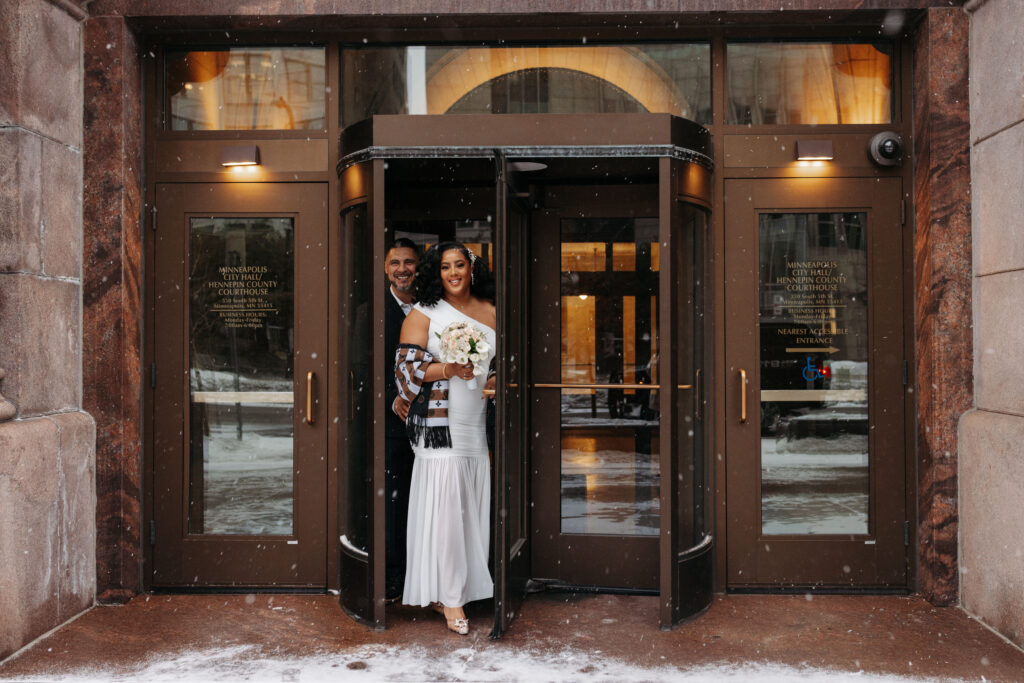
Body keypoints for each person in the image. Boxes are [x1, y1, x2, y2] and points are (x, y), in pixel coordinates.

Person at [394, 242, 496, 635]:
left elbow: (502, 364)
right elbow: (405, 370)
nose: (453, 273)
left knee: (468, 506)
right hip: (439, 426)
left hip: (476, 422)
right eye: (444, 267)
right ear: (436, 273)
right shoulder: (424, 313)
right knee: (447, 509)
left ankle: (458, 588)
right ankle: (451, 599)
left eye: (459, 265)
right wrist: (447, 368)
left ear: (471, 269)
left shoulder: (491, 310)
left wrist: (493, 377)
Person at [384, 237, 420, 602]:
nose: (402, 269)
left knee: (427, 501)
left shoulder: (430, 309)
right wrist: (395, 400)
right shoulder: (371, 309)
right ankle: (396, 576)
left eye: (408, 262)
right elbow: (366, 369)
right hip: (393, 427)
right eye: (395, 262)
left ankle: (425, 572)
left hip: (434, 423)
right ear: (386, 268)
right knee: (396, 504)